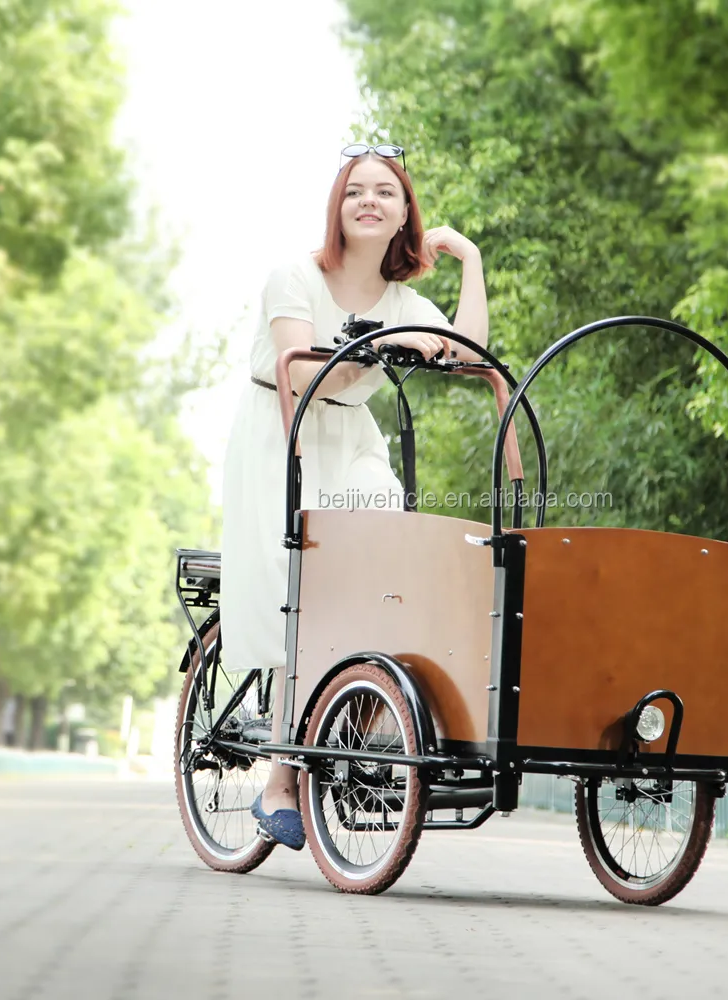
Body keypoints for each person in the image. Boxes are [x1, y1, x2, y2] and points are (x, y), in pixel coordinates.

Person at [219, 144, 489, 849]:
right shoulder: (293, 277)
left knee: (388, 564)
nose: (369, 201)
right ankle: (279, 779)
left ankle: (359, 714)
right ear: (337, 210)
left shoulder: (403, 300)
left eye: (386, 193)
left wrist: (471, 261)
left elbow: (471, 351)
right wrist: (383, 349)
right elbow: (306, 375)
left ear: (405, 215)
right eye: (354, 192)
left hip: (353, 441)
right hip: (285, 433)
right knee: (302, 600)